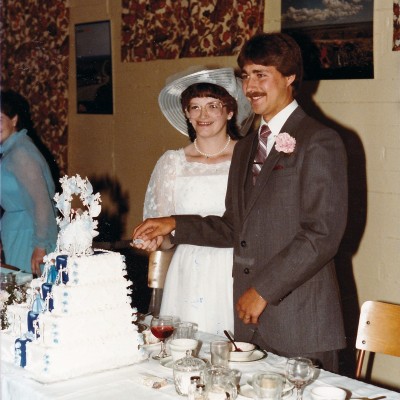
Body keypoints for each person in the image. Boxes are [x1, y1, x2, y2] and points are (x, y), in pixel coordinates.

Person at [132, 32, 348, 373]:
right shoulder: (247, 147)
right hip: (249, 324)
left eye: (262, 74)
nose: (251, 86)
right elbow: (234, 226)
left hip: (300, 322)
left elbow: (322, 234)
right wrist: (174, 223)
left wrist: (262, 290)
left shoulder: (319, 140)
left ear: (290, 77)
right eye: (246, 75)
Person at [142, 67, 253, 336]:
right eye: (195, 107)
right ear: (187, 115)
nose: (203, 115)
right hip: (187, 273)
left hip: (233, 268)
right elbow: (169, 235)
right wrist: (158, 240)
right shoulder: (172, 163)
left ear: (230, 111)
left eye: (213, 106)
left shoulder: (249, 159)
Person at [0, 90, 58, 276]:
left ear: (14, 119)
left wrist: (40, 246)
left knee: (25, 294)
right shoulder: (12, 148)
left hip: (28, 233)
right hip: (19, 229)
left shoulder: (21, 153)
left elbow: (41, 201)